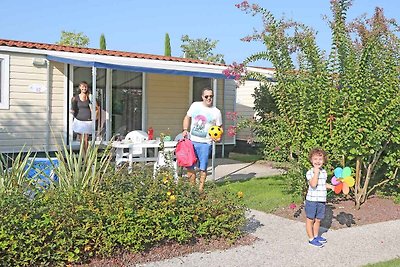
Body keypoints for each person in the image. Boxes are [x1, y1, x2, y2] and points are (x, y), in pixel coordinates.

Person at [182, 87, 222, 193]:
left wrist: (218, 137)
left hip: (206, 143)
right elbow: (187, 117)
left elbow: (219, 127)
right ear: (202, 97)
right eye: (207, 96)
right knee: (189, 166)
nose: (209, 98)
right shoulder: (195, 105)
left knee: (203, 168)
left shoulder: (216, 112)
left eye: (211, 96)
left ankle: (200, 189)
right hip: (192, 141)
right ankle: (192, 188)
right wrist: (185, 130)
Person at [305, 148, 335, 248]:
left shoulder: (324, 172)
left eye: (320, 159)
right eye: (315, 159)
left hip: (321, 200)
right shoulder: (310, 172)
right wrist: (316, 173)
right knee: (310, 219)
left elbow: (322, 184)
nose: (318, 161)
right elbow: (313, 184)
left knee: (318, 220)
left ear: (324, 161)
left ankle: (316, 236)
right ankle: (311, 239)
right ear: (311, 160)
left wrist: (331, 186)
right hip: (312, 201)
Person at [70, 81, 93, 154]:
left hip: (87, 121)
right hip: (79, 121)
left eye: (85, 86)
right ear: (80, 87)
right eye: (83, 86)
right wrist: (74, 115)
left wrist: (95, 116)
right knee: (81, 140)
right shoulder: (75, 98)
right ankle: (83, 156)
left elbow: (95, 107)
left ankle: (87, 156)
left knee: (86, 139)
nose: (84, 88)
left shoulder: (89, 97)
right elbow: (72, 109)